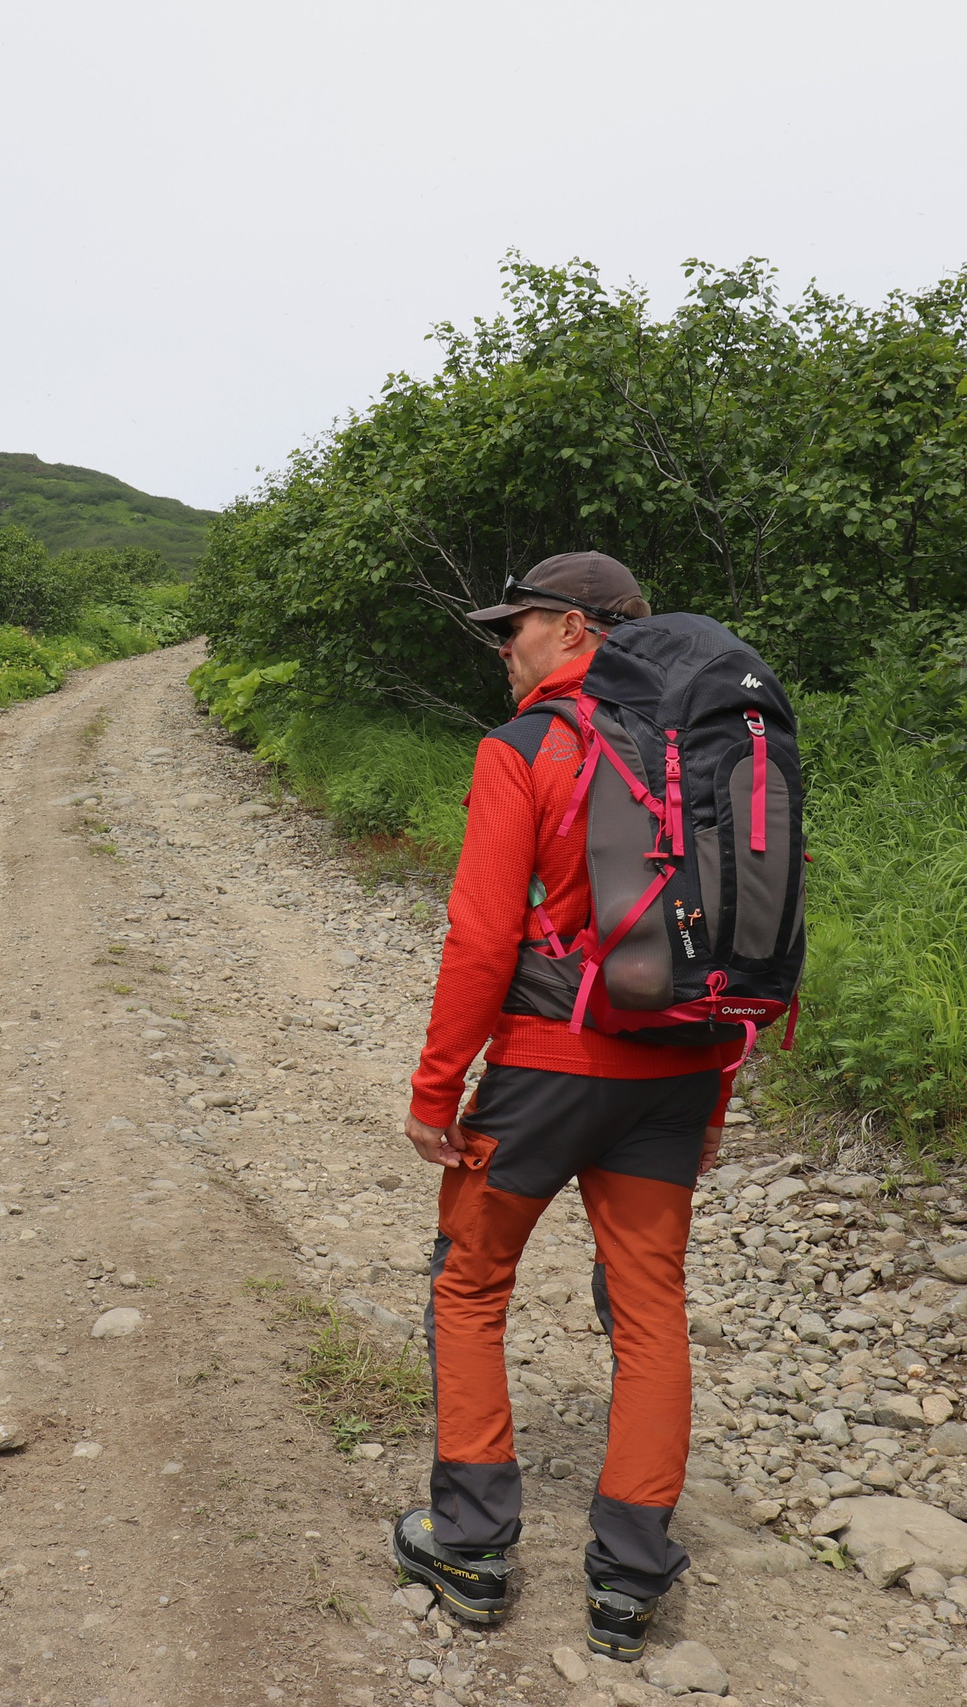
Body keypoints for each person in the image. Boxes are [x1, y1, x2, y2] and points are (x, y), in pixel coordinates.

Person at [387, 551, 734, 1662]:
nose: (503, 646)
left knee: (470, 1282)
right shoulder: (709, 747)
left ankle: (472, 1548)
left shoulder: (529, 746)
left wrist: (437, 1088)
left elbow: (484, 936)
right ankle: (629, 1582)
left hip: (546, 1069)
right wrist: (714, 1092)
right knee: (648, 1311)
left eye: (517, 625)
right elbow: (743, 934)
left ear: (577, 631)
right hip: (677, 1069)